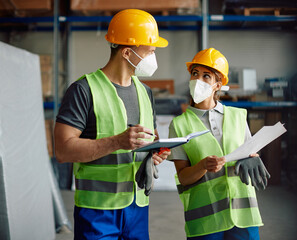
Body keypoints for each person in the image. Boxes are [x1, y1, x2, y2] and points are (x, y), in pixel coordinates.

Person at [54, 9, 171, 240]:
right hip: (97, 211)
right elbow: (63, 150)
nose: (153, 57)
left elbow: (152, 138)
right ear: (127, 52)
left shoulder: (145, 92)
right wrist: (117, 141)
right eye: (150, 51)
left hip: (138, 207)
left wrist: (155, 153)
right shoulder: (84, 90)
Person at [168, 48, 270, 240]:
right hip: (207, 218)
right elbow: (183, 177)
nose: (198, 80)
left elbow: (249, 153)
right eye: (194, 74)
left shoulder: (238, 116)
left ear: (218, 84)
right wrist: (202, 166)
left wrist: (253, 157)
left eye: (206, 76)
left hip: (243, 215)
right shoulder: (179, 125)